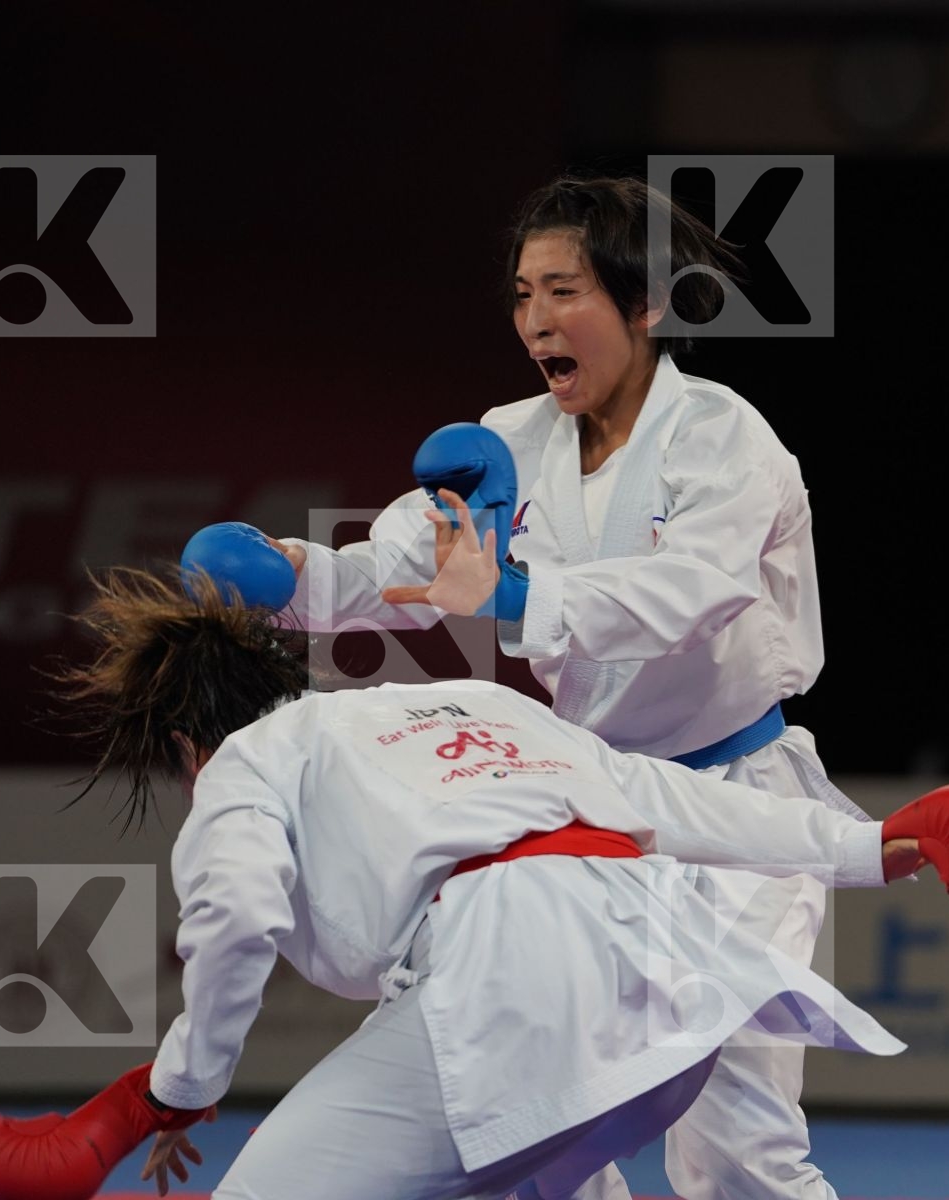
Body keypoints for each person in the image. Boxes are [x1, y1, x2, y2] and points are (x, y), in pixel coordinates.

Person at [0, 566, 949, 1200]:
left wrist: (172, 1094)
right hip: (670, 994)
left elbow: (238, 917)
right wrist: (871, 844)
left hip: (515, 992)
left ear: (182, 746)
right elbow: (664, 798)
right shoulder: (469, 702)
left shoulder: (246, 763)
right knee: (526, 1166)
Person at [262, 174, 865, 1200]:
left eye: (565, 292)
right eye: (522, 294)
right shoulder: (507, 443)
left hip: (736, 808)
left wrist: (512, 595)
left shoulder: (724, 437)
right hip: (588, 816)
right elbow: (403, 568)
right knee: (532, 1120)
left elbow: (696, 593)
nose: (536, 320)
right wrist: (288, 580)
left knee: (735, 1150)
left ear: (646, 305)